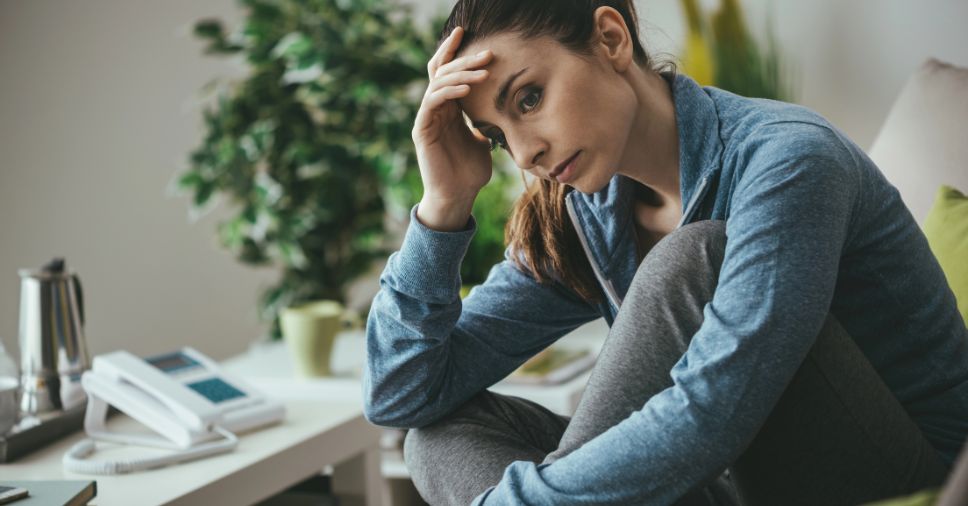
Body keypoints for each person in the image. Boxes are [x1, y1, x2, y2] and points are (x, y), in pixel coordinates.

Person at [362, 1, 968, 504]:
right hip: (729, 479)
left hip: (896, 469)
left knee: (691, 255)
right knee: (436, 435)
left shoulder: (789, 162)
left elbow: (711, 412)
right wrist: (444, 204)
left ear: (610, 38)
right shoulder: (586, 214)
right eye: (497, 137)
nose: (524, 155)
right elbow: (402, 395)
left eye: (528, 99)